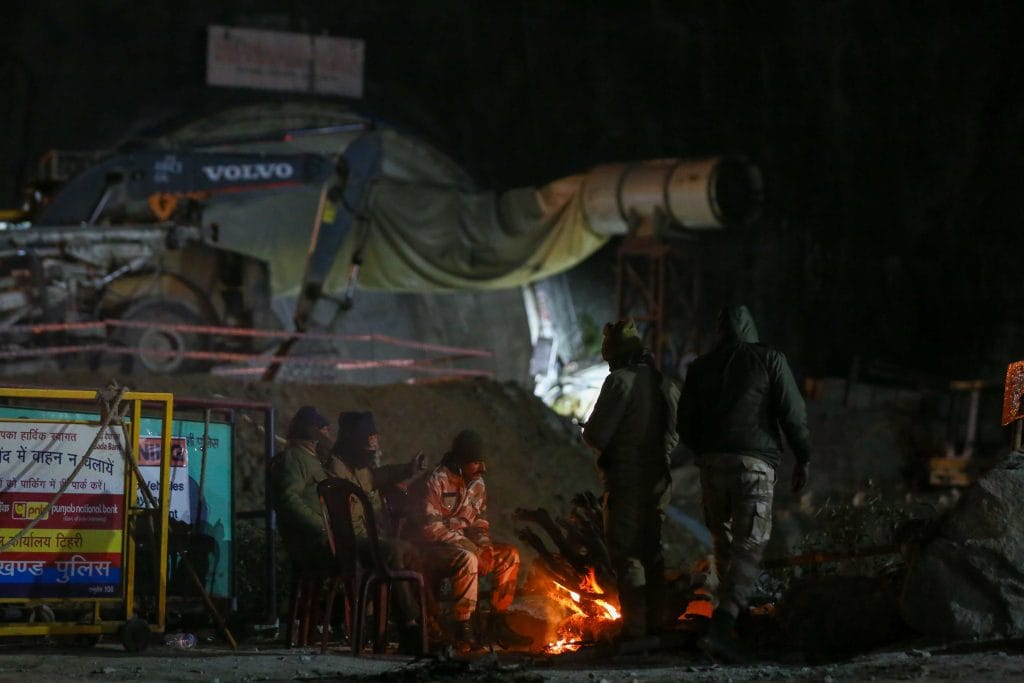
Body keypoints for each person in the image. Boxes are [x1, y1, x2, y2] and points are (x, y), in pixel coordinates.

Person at [677, 304, 812, 662]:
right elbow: (792, 413)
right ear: (751, 328)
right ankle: (724, 625)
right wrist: (804, 455)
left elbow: (685, 423)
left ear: (719, 331)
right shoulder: (770, 360)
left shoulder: (700, 367)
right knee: (750, 545)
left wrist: (708, 450)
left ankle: (730, 621)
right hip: (754, 464)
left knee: (723, 542)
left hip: (712, 465)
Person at [581, 319, 673, 643]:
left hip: (627, 481)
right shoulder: (662, 382)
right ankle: (658, 624)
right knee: (653, 550)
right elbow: (673, 434)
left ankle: (635, 631)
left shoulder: (619, 382)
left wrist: (589, 431)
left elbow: (596, 435)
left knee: (628, 553)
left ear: (614, 355)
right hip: (660, 480)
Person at [412, 430, 531, 652]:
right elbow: (431, 528)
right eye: (476, 463)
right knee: (468, 559)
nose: (482, 469)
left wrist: (484, 547)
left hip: (467, 547)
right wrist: (471, 547)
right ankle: (463, 628)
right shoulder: (436, 480)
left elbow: (479, 523)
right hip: (434, 550)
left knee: (509, 555)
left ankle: (497, 623)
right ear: (460, 462)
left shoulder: (477, 484)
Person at [324, 410, 427, 652]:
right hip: (351, 541)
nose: (370, 457)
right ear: (353, 444)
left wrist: (409, 469)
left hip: (365, 540)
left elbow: (382, 474)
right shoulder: (335, 469)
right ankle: (410, 625)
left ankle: (422, 623)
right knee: (395, 550)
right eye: (366, 451)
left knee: (410, 551)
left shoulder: (359, 468)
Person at [269, 406, 335, 571]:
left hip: (324, 538)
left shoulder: (314, 460)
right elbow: (288, 499)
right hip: (313, 542)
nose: (329, 436)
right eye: (325, 431)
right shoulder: (296, 458)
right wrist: (321, 525)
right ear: (314, 435)